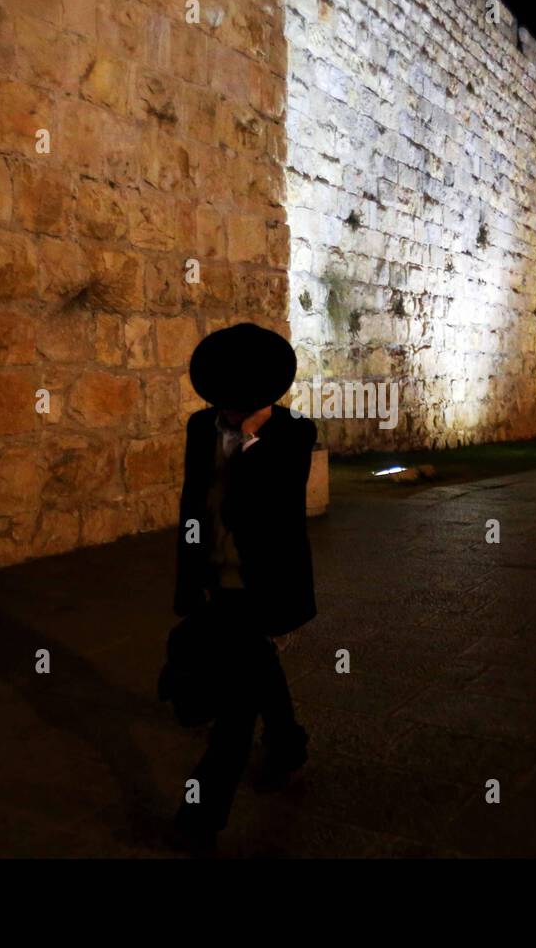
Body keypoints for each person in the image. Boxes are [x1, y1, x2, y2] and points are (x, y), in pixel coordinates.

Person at [160, 323, 318, 852]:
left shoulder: (294, 432)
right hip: (216, 582)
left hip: (263, 587)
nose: (224, 411)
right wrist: (188, 577)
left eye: (234, 401)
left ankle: (201, 814)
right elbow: (192, 503)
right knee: (257, 671)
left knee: (234, 711)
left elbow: (267, 503)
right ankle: (288, 743)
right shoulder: (200, 425)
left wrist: (244, 440)